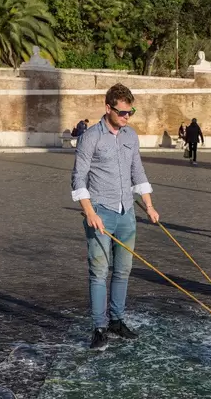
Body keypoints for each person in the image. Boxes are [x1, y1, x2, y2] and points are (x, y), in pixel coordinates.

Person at [71, 83, 160, 351]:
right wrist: (89, 213)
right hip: (99, 211)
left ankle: (116, 321)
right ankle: (99, 327)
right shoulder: (90, 138)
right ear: (108, 108)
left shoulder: (131, 136)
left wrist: (149, 205)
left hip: (126, 212)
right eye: (122, 113)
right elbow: (78, 178)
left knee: (123, 271)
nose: (127, 117)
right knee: (99, 272)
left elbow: (138, 171)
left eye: (130, 112)